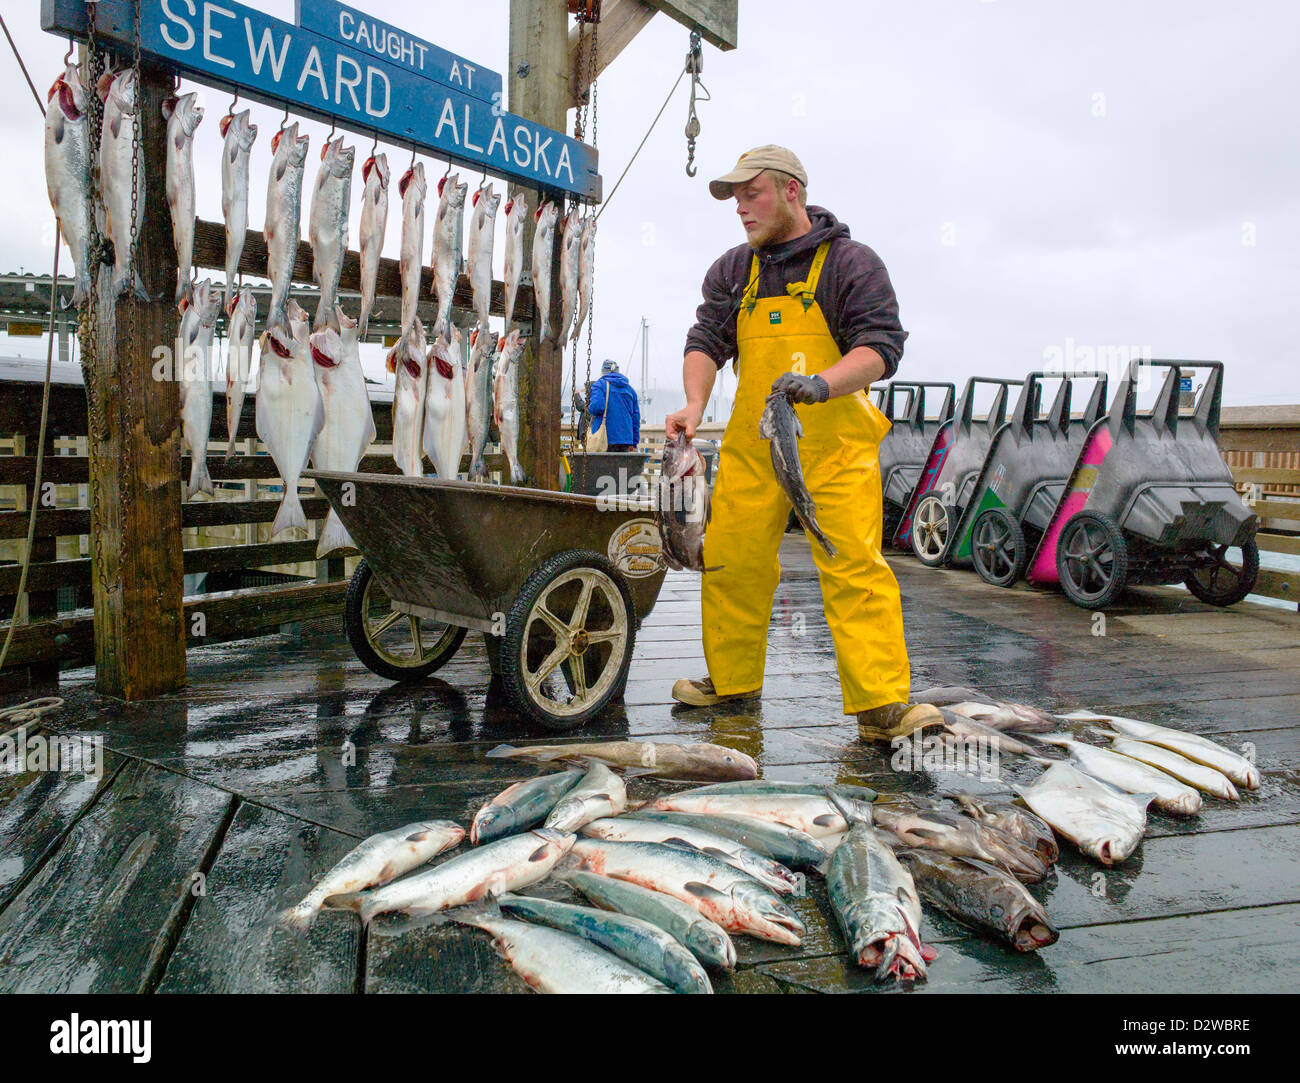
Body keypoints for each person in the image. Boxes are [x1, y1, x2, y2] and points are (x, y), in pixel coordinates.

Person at [664, 145, 942, 743]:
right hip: (752, 448)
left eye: (751, 193)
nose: (740, 208)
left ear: (792, 190)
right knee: (731, 563)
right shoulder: (733, 270)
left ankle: (882, 706)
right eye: (734, 197)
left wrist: (821, 384)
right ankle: (731, 683)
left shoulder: (851, 263)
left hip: (835, 450)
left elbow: (880, 349)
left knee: (853, 568)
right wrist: (693, 403)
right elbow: (706, 340)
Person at [587, 360, 641, 452]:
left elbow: (596, 407)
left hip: (605, 437)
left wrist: (589, 407)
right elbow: (635, 419)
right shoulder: (630, 390)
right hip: (625, 440)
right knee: (622, 466)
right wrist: (634, 442)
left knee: (602, 466)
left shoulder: (599, 385)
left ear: (603, 372)